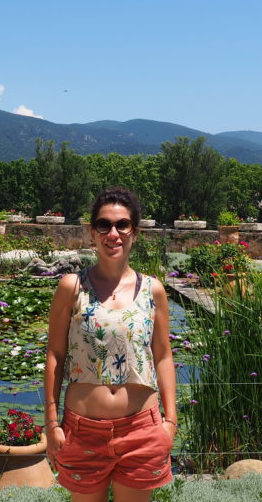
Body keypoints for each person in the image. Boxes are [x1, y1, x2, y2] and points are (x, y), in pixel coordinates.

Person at [44, 186, 176, 501]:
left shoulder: (152, 290)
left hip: (141, 429)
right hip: (83, 429)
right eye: (104, 225)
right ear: (92, 232)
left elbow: (163, 356)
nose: (113, 233)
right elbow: (55, 354)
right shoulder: (72, 287)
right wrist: (51, 422)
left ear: (135, 232)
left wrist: (170, 422)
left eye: (122, 225)